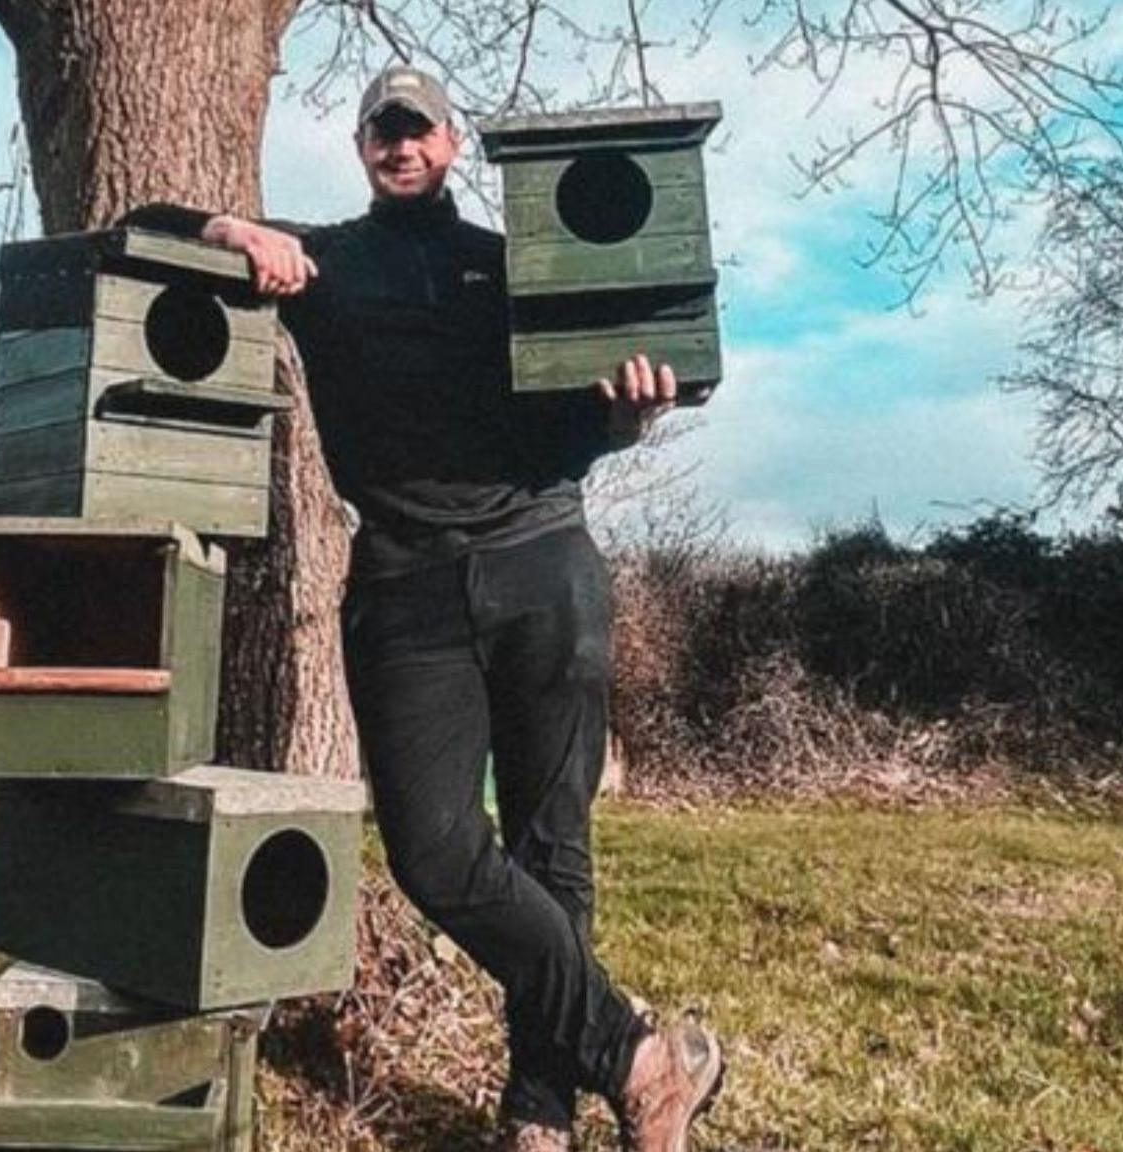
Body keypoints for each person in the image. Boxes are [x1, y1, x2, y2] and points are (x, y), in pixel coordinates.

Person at [122, 65, 723, 1152]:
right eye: (379, 131)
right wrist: (232, 229)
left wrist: (628, 420)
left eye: (418, 129)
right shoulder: (324, 265)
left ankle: (538, 1109)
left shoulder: (514, 270)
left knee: (552, 843)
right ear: (362, 150)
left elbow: (568, 435)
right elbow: (136, 226)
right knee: (433, 851)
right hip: (403, 584)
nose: (399, 146)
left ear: (450, 146)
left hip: (541, 558)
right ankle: (638, 1050)